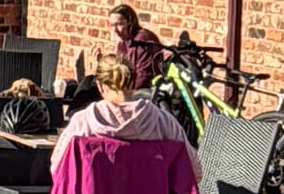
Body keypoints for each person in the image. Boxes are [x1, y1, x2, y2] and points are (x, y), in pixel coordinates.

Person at [52, 56, 198, 174]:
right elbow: (194, 170)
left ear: (100, 86)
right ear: (134, 84)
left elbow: (58, 169)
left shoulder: (83, 123)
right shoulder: (164, 122)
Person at [111, 3, 165, 92]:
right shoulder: (123, 43)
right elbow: (119, 71)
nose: (115, 30)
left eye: (120, 24)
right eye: (112, 25)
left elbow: (143, 77)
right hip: (126, 90)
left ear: (130, 23)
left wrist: (123, 95)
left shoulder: (143, 41)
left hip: (145, 92)